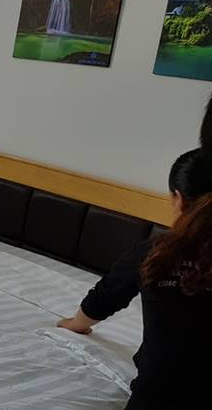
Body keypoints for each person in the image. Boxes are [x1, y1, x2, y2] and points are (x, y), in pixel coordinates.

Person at [56, 147, 212, 409]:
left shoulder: (155, 253)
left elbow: (105, 297)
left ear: (178, 198)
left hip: (158, 396)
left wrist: (76, 324)